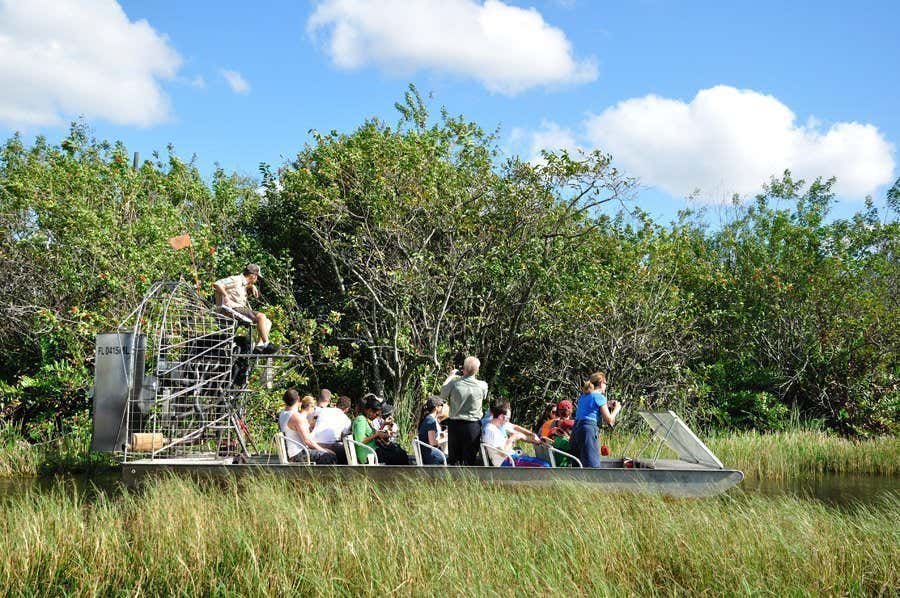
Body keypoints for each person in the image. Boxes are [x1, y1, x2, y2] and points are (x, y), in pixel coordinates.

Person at [213, 263, 278, 354]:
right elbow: (217, 284)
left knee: (267, 322)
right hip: (231, 309)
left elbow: (239, 287)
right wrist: (226, 296)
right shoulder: (236, 279)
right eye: (257, 277)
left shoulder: (243, 283)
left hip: (238, 310)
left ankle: (259, 347)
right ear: (253, 276)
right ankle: (267, 344)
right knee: (261, 316)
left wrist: (251, 286)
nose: (257, 279)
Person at [441, 356, 488, 466]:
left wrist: (451, 376)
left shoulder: (454, 384)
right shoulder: (483, 385)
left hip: (455, 425)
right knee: (470, 459)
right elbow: (484, 396)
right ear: (477, 370)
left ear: (464, 369)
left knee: (454, 460)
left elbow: (443, 393)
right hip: (473, 426)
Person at [569, 372, 622, 468]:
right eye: (606, 384)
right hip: (588, 430)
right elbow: (609, 420)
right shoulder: (599, 397)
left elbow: (590, 408)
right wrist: (616, 409)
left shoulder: (584, 396)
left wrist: (607, 404)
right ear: (601, 383)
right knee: (592, 465)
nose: (606, 387)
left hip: (576, 430)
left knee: (577, 465)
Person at [481, 400, 548, 467]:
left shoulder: (499, 425)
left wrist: (537, 440)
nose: (508, 420)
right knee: (544, 466)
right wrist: (513, 438)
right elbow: (503, 453)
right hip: (506, 461)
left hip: (512, 457)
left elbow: (517, 430)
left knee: (543, 463)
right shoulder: (490, 430)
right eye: (508, 418)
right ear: (501, 416)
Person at [277, 390, 337, 464]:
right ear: (298, 399)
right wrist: (324, 450)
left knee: (327, 452)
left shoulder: (282, 415)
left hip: (291, 453)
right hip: (298, 454)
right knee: (330, 456)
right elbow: (307, 441)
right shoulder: (296, 417)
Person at [351, 397, 409, 465]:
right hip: (368, 455)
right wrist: (377, 434)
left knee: (400, 452)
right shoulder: (360, 420)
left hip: (373, 451)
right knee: (399, 456)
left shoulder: (366, 420)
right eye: (377, 414)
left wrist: (383, 431)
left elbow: (374, 434)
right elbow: (359, 441)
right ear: (369, 410)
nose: (377, 417)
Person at [311, 394, 352, 464]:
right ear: (347, 409)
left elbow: (311, 413)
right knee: (346, 449)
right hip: (329, 445)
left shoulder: (322, 410)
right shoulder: (347, 420)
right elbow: (344, 438)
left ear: (336, 404)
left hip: (313, 443)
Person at [417, 396, 448, 465]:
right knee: (453, 459)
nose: (442, 407)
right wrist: (446, 439)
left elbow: (429, 437)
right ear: (436, 407)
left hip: (428, 453)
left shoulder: (428, 418)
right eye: (441, 405)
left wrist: (442, 435)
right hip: (430, 455)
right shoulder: (431, 421)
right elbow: (432, 442)